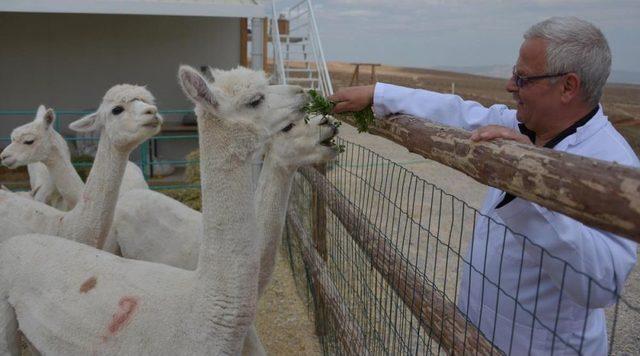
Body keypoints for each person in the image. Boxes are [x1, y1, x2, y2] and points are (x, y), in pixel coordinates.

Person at [330, 17, 639, 354]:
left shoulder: (614, 168)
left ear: (568, 86)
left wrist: (525, 180)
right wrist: (378, 94)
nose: (510, 85)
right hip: (474, 334)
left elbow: (601, 288)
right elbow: (457, 113)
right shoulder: (521, 124)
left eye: (522, 78)